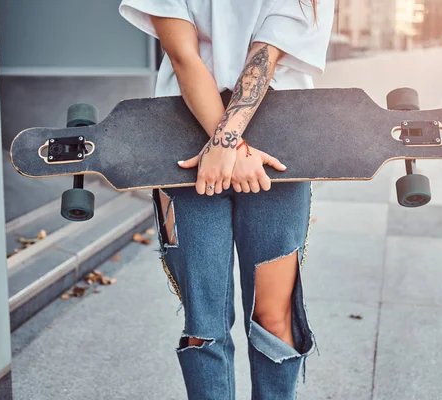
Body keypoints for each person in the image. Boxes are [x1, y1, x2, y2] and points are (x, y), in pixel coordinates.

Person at [119, 1, 334, 398]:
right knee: (204, 322)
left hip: (280, 145)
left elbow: (265, 57)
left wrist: (227, 145)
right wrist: (231, 145)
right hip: (182, 138)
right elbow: (182, 55)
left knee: (274, 316)